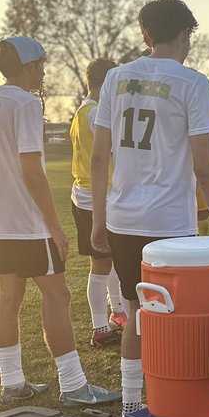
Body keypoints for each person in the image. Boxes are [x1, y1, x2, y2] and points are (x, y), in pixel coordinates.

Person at [91, 0, 209, 417]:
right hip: (170, 223)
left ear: (146, 34)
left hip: (123, 217)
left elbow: (98, 155)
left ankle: (132, 404)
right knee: (173, 322)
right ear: (186, 32)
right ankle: (169, 413)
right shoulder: (192, 82)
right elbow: (205, 166)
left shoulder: (115, 77)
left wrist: (97, 218)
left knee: (135, 312)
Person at [0, 37, 119, 406]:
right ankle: (73, 386)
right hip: (26, 221)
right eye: (40, 63)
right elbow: (32, 170)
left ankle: (12, 382)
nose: (43, 69)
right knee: (57, 295)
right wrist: (53, 226)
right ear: (29, 65)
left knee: (10, 296)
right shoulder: (25, 103)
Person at [70, 58, 128, 349]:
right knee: (101, 263)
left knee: (113, 259)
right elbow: (105, 156)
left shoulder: (82, 111)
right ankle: (99, 327)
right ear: (106, 83)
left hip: (85, 195)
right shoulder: (95, 114)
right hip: (96, 198)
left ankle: (117, 312)